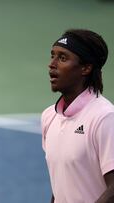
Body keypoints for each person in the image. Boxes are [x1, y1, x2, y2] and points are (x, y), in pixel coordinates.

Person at [41, 28, 114, 203]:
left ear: (86, 68)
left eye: (63, 58)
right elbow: (61, 185)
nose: (52, 64)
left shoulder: (105, 117)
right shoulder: (49, 117)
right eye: (53, 56)